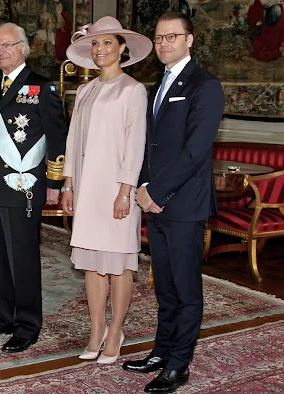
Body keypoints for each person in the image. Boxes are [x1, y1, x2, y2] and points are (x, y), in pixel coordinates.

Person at [122, 12, 225, 394]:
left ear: (189, 40)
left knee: (185, 289)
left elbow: (194, 150)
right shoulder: (157, 85)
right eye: (159, 38)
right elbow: (151, 145)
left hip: (182, 205)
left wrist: (156, 191)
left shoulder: (205, 85)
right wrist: (142, 186)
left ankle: (179, 365)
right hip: (155, 201)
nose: (164, 44)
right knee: (163, 286)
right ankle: (161, 351)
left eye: (172, 37)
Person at [61, 16, 152, 364]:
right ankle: (96, 329)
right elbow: (72, 140)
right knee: (92, 264)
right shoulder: (84, 90)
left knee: (117, 264)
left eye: (107, 43)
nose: (100, 49)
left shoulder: (132, 90)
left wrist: (125, 191)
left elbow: (136, 145)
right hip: (86, 187)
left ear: (122, 48)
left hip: (117, 190)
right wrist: (68, 183)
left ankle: (116, 330)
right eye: (95, 44)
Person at [0, 22, 67, 353]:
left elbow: (57, 137)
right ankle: (2, 316)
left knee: (23, 256)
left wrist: (55, 182)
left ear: (24, 48)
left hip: (24, 183)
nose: (0, 52)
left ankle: (27, 323)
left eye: (7, 45)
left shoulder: (43, 88)